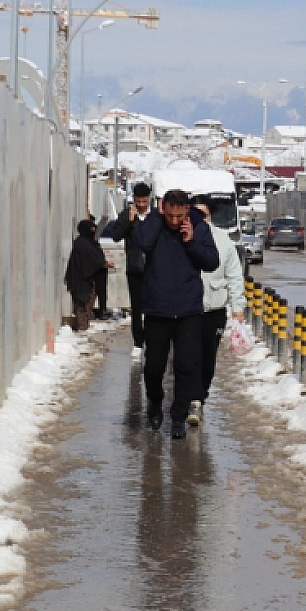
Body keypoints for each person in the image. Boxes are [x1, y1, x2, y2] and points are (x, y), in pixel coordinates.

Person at [132, 188, 220, 438]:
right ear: (163, 208)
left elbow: (212, 262)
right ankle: (155, 404)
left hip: (188, 310)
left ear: (186, 212)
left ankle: (178, 416)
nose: (174, 221)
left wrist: (191, 241)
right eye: (170, 215)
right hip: (157, 310)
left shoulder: (198, 226)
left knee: (186, 367)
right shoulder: (155, 224)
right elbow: (143, 243)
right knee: (153, 368)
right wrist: (156, 219)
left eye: (179, 217)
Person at [194, 200, 246, 413]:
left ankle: (201, 394)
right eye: (195, 213)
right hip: (188, 309)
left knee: (207, 356)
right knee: (188, 356)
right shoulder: (181, 236)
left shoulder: (223, 241)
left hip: (214, 309)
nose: (200, 219)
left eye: (203, 214)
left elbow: (234, 275)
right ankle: (192, 399)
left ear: (210, 217)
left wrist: (237, 306)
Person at [102, 182, 154, 360]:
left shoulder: (155, 216)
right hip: (135, 268)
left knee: (154, 307)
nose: (141, 205)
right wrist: (129, 222)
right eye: (138, 201)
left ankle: (154, 341)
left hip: (154, 269)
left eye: (144, 201)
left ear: (149, 199)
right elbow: (116, 236)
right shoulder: (127, 215)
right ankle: (138, 343)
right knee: (137, 308)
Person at [63, 217, 111, 323]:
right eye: (92, 229)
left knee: (87, 306)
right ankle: (82, 328)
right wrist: (101, 264)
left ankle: (84, 326)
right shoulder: (81, 243)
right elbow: (88, 260)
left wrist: (102, 263)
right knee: (82, 307)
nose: (93, 231)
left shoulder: (90, 242)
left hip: (88, 281)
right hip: (81, 281)